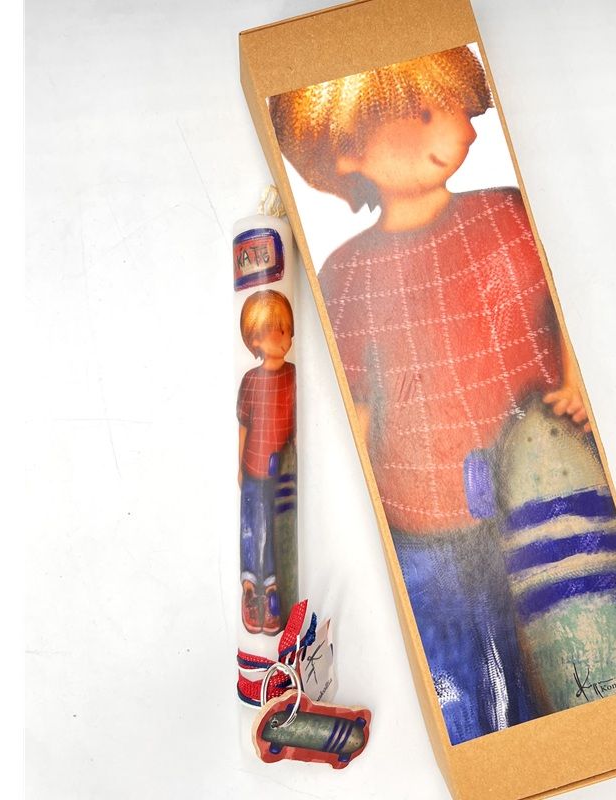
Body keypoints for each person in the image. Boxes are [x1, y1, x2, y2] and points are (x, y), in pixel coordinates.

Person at [270, 46, 588, 743]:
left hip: (550, 499)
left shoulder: (509, 215)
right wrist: (348, 512)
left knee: (563, 665)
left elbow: (568, 309)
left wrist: (577, 384)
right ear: (347, 150)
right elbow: (357, 408)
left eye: (459, 108)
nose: (464, 128)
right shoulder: (347, 275)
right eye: (424, 113)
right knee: (459, 683)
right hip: (423, 527)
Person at [237, 290, 296, 635]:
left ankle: (271, 587)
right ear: (255, 339)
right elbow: (244, 425)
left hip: (281, 471)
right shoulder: (250, 381)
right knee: (251, 526)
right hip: (253, 467)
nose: (284, 337)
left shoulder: (293, 376)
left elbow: (297, 426)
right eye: (275, 330)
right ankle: (250, 588)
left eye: (287, 329)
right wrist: (238, 466)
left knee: (274, 528)